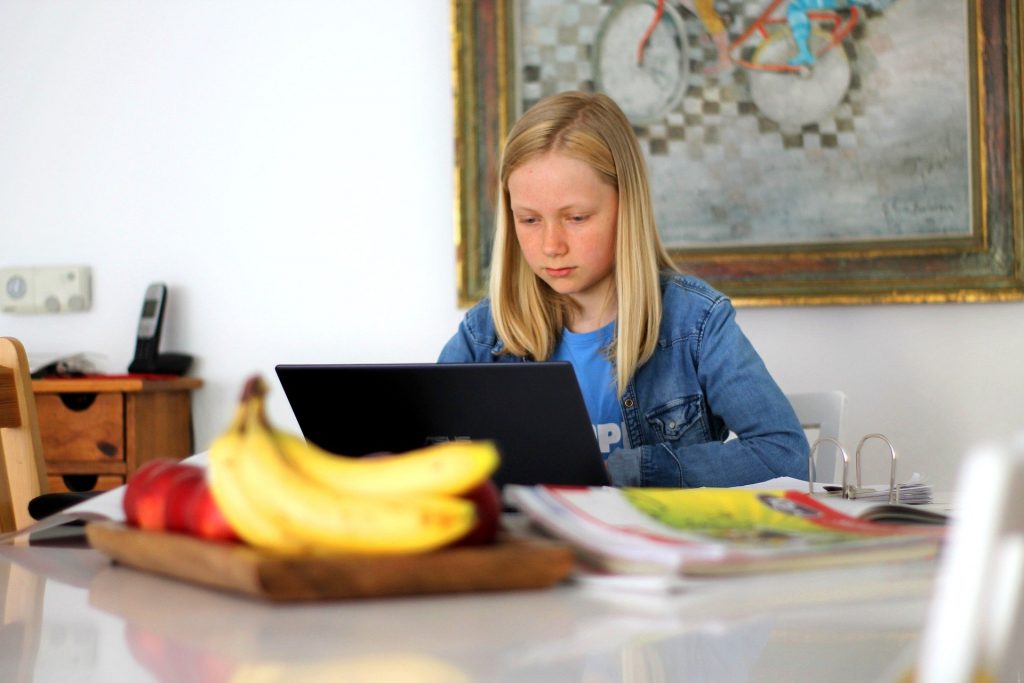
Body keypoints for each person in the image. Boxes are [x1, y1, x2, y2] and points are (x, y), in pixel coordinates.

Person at [439, 91, 808, 488]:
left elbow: (784, 454)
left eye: (576, 217)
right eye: (529, 220)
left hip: (658, 546)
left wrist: (632, 472)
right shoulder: (486, 333)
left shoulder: (695, 321)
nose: (551, 245)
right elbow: (417, 453)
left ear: (626, 207)